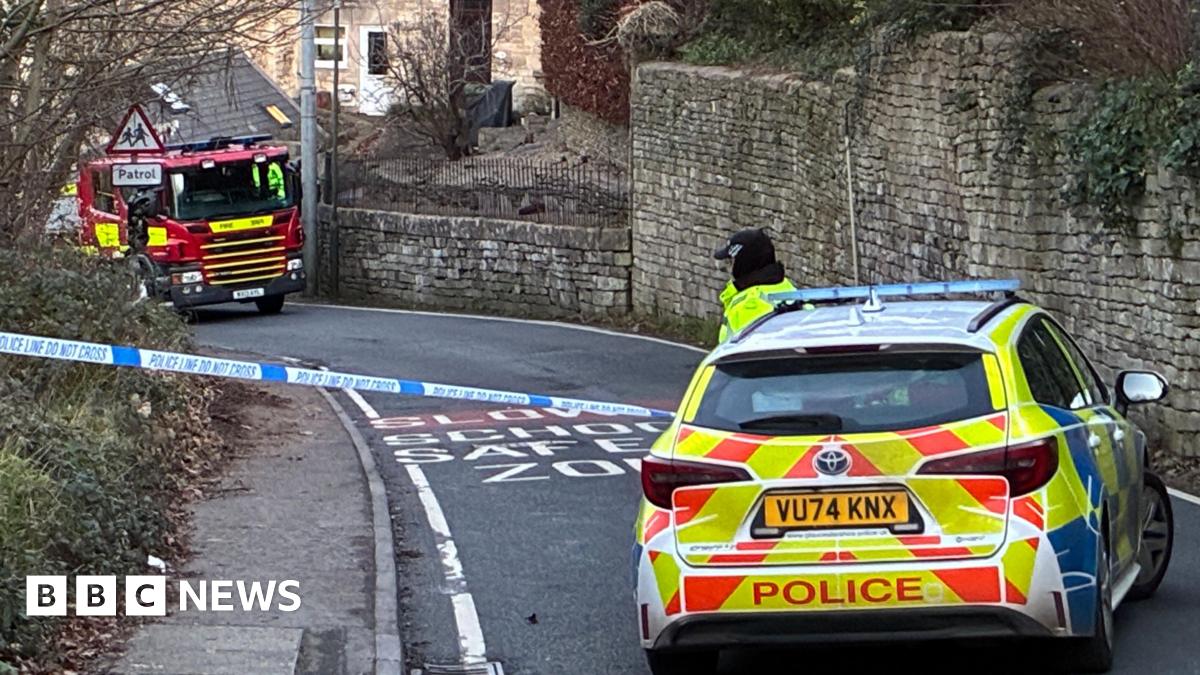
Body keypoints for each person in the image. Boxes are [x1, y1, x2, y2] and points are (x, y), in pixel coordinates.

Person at [713, 228, 798, 342]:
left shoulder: (746, 307)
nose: (726, 268)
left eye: (731, 262)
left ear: (742, 264)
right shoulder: (791, 292)